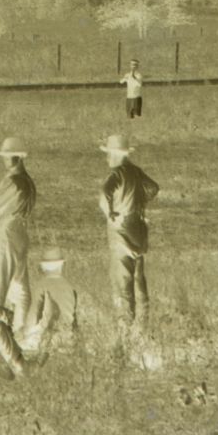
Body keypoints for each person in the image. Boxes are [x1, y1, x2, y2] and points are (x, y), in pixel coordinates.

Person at [97, 133, 161, 330]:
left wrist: (111, 213)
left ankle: (126, 325)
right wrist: (139, 203)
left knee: (122, 279)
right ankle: (143, 322)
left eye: (108, 154)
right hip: (138, 228)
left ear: (116, 155)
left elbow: (104, 194)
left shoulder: (116, 174)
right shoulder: (136, 171)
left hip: (121, 230)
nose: (107, 158)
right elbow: (154, 188)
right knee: (139, 278)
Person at [0, 137, 38, 313]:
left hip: (9, 230)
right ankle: (22, 327)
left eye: (9, 156)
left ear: (19, 158)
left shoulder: (14, 181)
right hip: (21, 231)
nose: (5, 160)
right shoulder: (28, 181)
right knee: (19, 285)